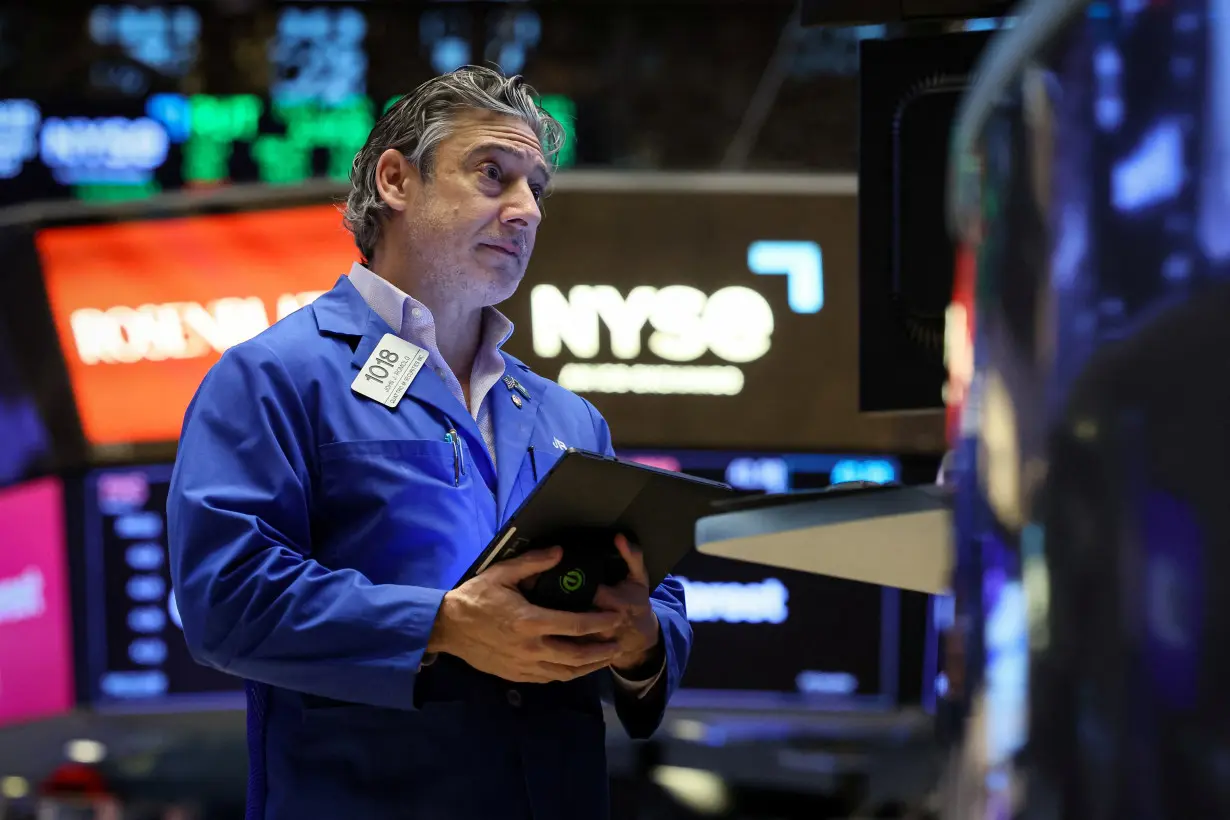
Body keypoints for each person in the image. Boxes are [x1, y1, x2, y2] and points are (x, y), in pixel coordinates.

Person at [167, 67, 692, 820]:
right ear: (395, 180)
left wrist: (643, 639)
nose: (524, 212)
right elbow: (225, 597)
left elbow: (661, 599)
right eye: (492, 174)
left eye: (536, 188)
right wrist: (442, 624)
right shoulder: (275, 376)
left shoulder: (568, 418)